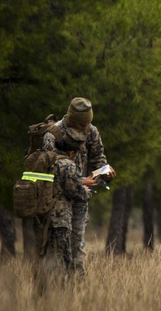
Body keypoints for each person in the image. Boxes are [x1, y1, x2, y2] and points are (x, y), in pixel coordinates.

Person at [41, 96, 115, 277]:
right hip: (56, 200)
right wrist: (80, 181)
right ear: (71, 119)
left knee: (77, 244)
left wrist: (105, 173)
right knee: (58, 245)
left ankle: (77, 290)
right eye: (82, 125)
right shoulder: (53, 134)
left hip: (81, 197)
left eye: (88, 124)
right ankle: (54, 288)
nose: (85, 129)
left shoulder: (91, 131)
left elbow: (98, 159)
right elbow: (48, 171)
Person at [37, 133, 89, 286]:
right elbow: (75, 192)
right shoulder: (68, 164)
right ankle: (59, 291)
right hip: (60, 218)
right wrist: (85, 190)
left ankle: (42, 289)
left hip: (43, 216)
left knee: (45, 255)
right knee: (62, 258)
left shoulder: (47, 161)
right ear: (71, 152)